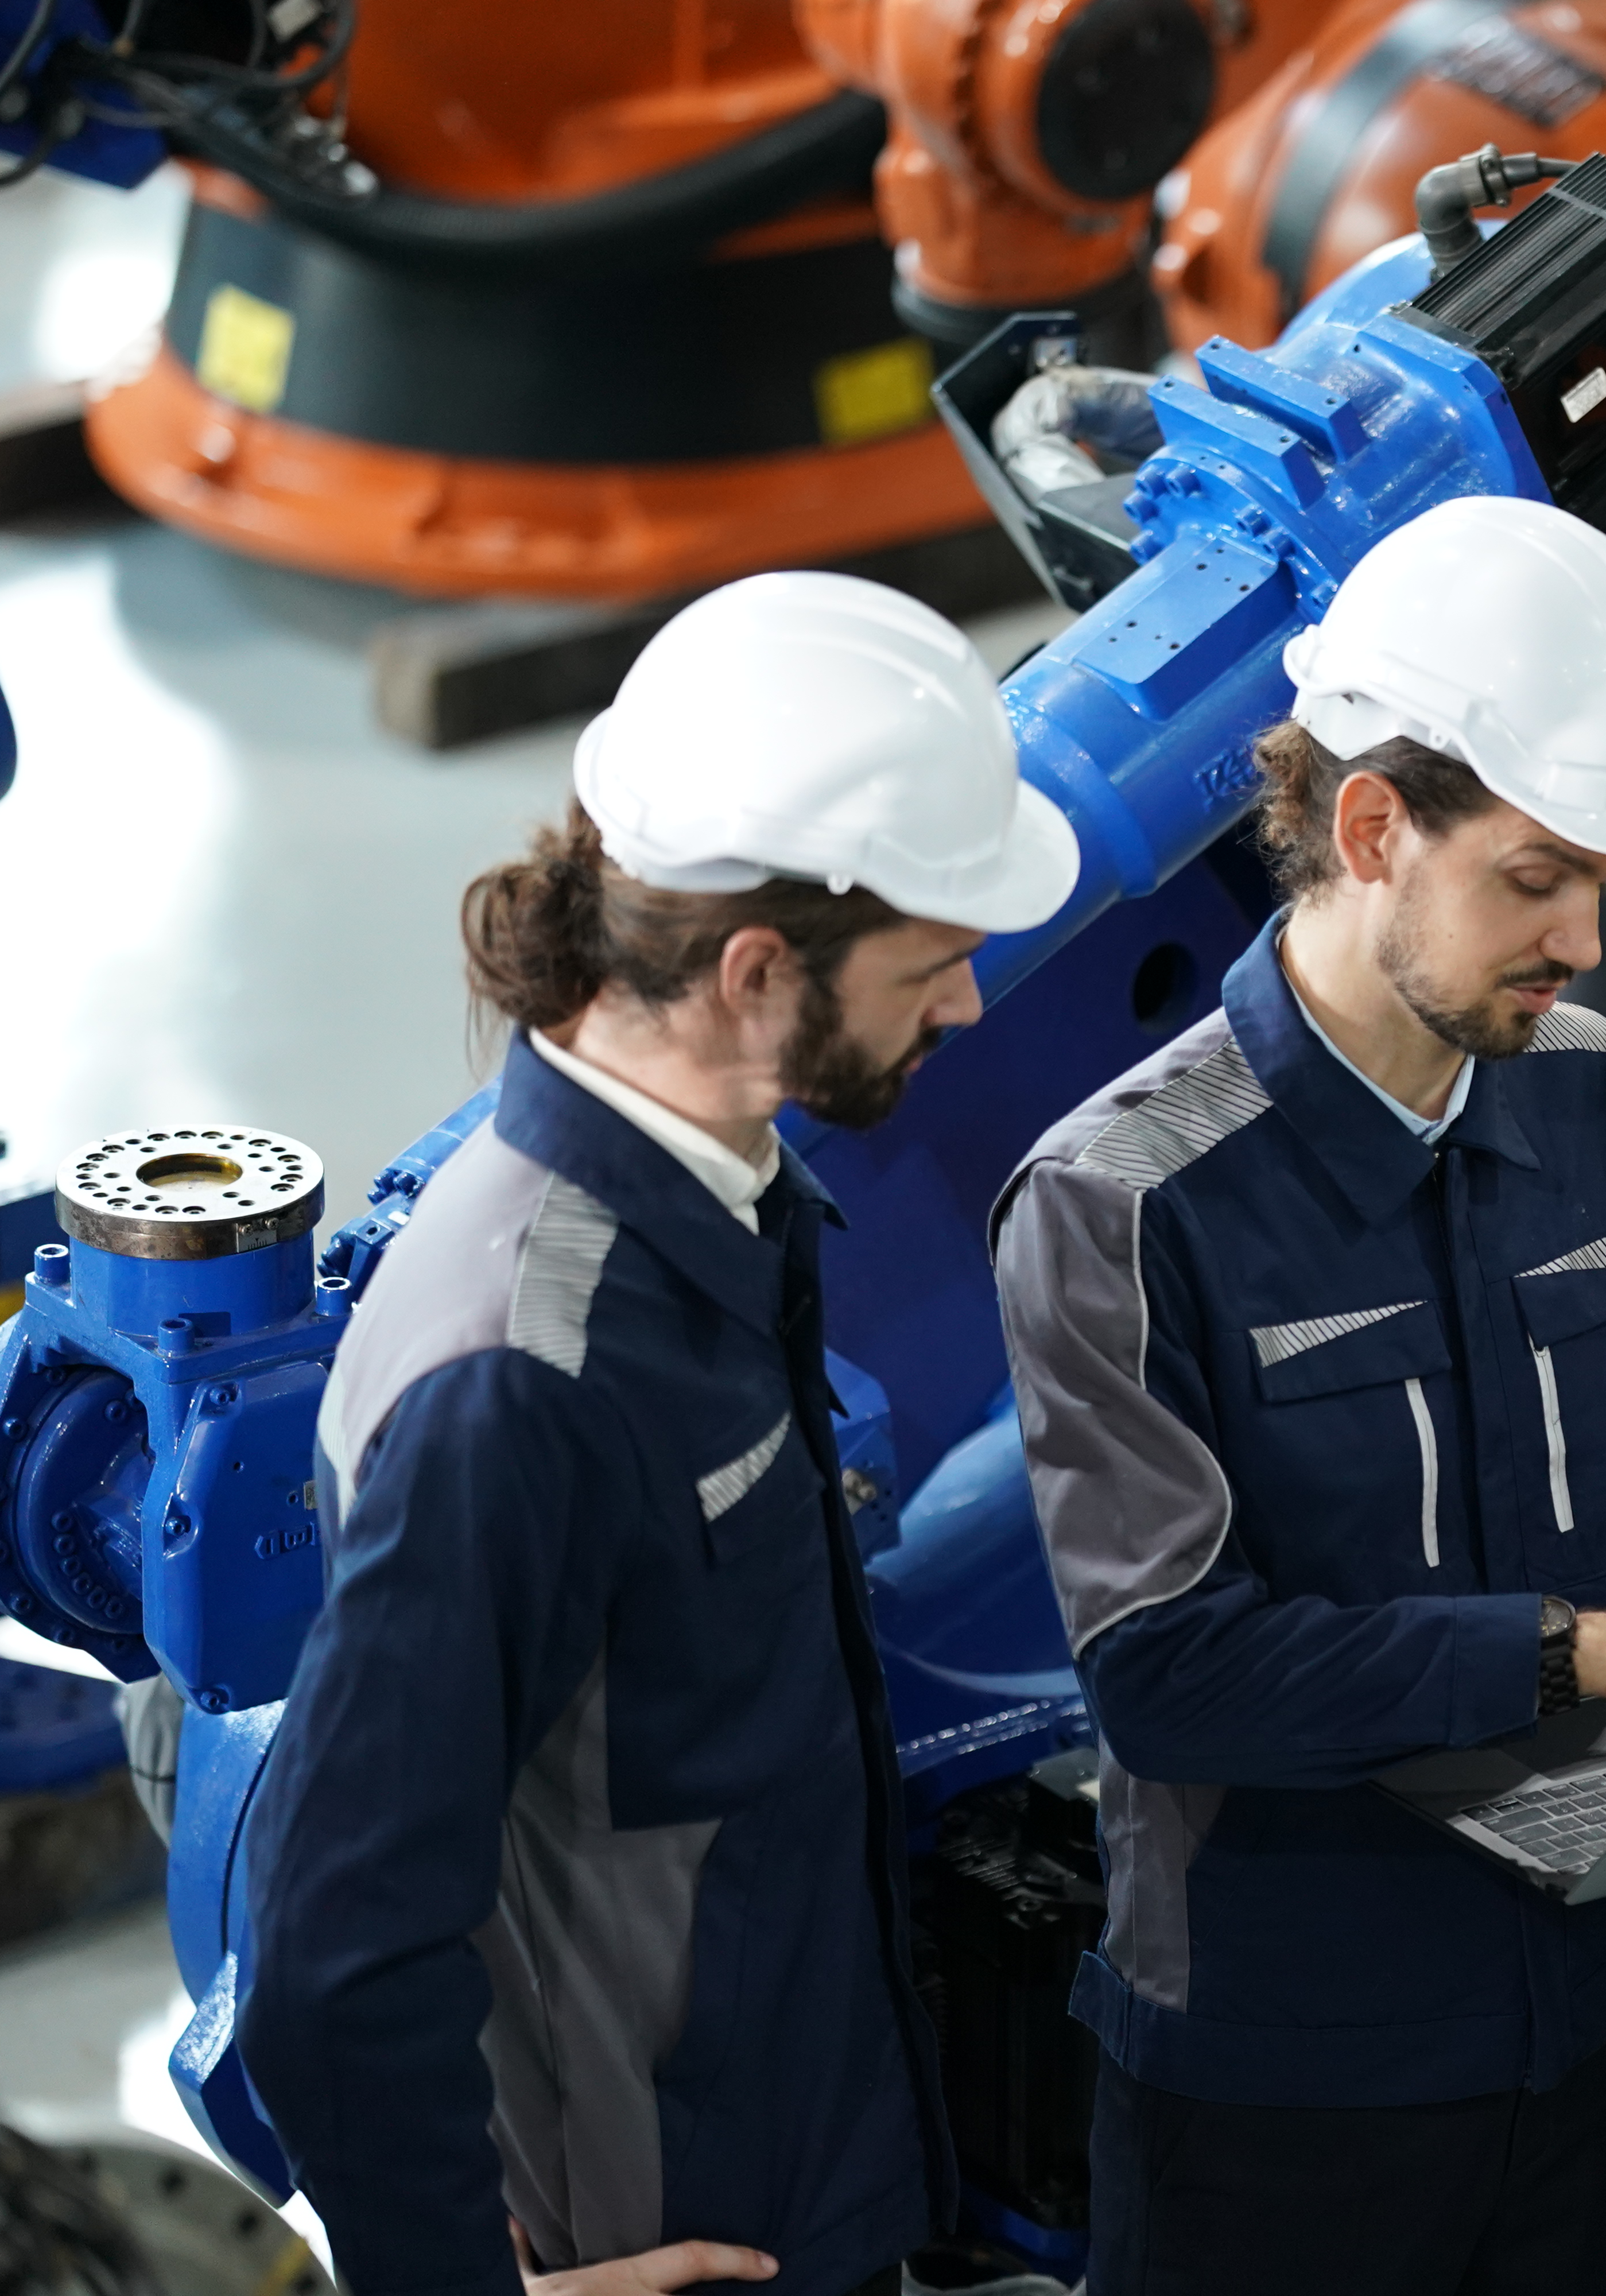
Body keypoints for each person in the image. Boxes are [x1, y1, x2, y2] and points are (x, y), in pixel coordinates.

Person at [991, 494, 1606, 2296]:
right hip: (1277, 2099)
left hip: (1574, 2046)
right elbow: (1169, 1673)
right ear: (1369, 827)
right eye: (1536, 878)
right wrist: (1585, 1652)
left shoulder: (1593, 1101)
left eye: (1604, 885)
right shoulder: (1126, 1195)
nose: (1583, 937)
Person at [239, 573, 1079, 2296]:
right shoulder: (519, 1374)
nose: (973, 1008)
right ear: (756, 971)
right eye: (934, 965)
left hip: (813, 2160)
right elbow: (334, 1944)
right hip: (678, 2230)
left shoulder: (723, 1193)